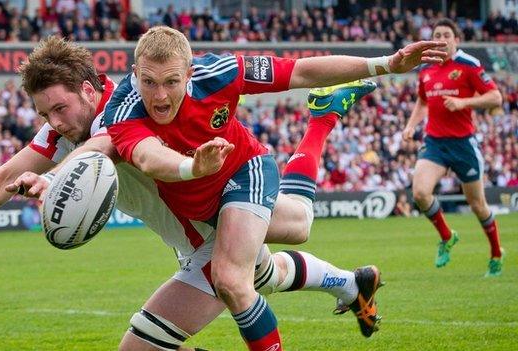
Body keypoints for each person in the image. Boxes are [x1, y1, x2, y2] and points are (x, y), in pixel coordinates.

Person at [0, 36, 398, 350]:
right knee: (263, 267)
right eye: (45, 116)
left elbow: (123, 151)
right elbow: (5, 176)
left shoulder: (120, 112)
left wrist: (54, 178)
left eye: (58, 109)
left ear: (89, 90)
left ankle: (322, 120)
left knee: (273, 247)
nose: (53, 123)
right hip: (199, 229)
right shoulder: (66, 133)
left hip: (222, 201)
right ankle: (353, 283)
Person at [103, 26, 446, 350]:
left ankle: (322, 121)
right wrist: (192, 166)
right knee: (294, 233)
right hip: (204, 207)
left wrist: (386, 63)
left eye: (171, 82)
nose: (159, 96)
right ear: (134, 72)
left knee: (230, 278)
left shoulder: (220, 72)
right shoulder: (122, 108)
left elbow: (299, 72)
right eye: (147, 82)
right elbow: (148, 158)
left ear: (190, 74)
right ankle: (351, 283)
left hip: (244, 172)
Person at [403, 18, 504, 277]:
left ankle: (495, 254)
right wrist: (411, 125)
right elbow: (422, 103)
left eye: (447, 34)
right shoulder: (426, 69)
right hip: (435, 143)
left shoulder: (469, 65)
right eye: (437, 35)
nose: (442, 39)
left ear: (456, 39)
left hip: (463, 144)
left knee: (477, 205)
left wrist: (463, 104)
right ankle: (447, 236)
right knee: (420, 193)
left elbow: (495, 97)